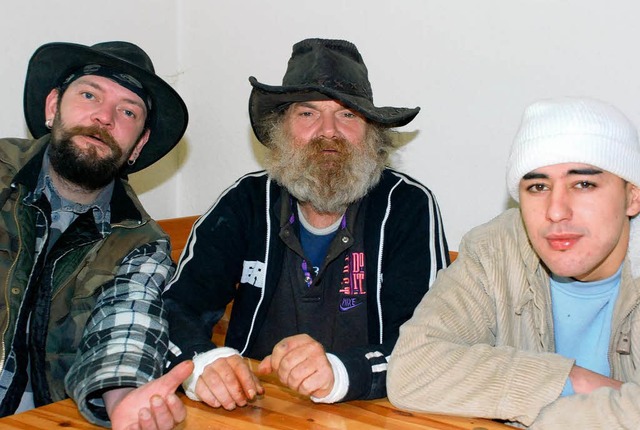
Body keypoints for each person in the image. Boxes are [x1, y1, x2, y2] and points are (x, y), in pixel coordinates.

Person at [163, 38, 449, 410]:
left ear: (373, 133)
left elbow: (431, 343)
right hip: (255, 410)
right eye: (307, 113)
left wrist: (341, 372)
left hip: (373, 413)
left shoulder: (407, 206)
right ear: (281, 129)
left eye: (347, 114)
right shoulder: (246, 201)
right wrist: (201, 363)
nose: (328, 131)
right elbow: (175, 307)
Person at [387, 97, 640, 428]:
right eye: (537, 186)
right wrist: (576, 382)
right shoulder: (495, 249)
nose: (556, 210)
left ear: (632, 197)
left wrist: (544, 415)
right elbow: (413, 369)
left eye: (583, 184)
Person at [0, 41, 193, 429]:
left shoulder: (141, 244)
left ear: (137, 145)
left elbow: (126, 330)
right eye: (90, 94)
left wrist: (124, 399)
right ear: (53, 107)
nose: (104, 117)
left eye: (127, 111)